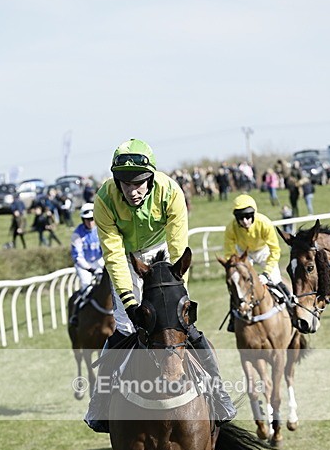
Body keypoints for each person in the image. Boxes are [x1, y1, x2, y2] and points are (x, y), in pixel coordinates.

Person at [85, 138, 235, 432]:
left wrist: (180, 295)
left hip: (163, 254)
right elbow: (113, 253)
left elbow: (179, 247)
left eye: (140, 182)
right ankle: (100, 400)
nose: (133, 190)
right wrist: (129, 301)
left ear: (151, 177)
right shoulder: (103, 200)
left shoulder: (170, 191)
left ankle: (218, 392)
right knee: (125, 328)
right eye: (125, 183)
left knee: (182, 323)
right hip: (127, 259)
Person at [223, 194, 292, 330]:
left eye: (248, 216)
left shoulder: (264, 223)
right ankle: (233, 317)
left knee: (276, 278)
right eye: (241, 218)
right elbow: (229, 254)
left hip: (263, 251)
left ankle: (291, 306)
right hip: (243, 254)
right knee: (238, 284)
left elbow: (275, 250)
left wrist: (266, 274)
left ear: (254, 214)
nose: (245, 221)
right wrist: (234, 267)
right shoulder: (231, 228)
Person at [68, 202, 104, 326]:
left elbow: (106, 250)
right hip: (84, 266)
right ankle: (76, 314)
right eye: (86, 220)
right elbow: (77, 256)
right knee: (86, 285)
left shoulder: (101, 229)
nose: (90, 222)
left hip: (99, 262)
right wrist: (90, 269)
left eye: (91, 219)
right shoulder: (77, 234)